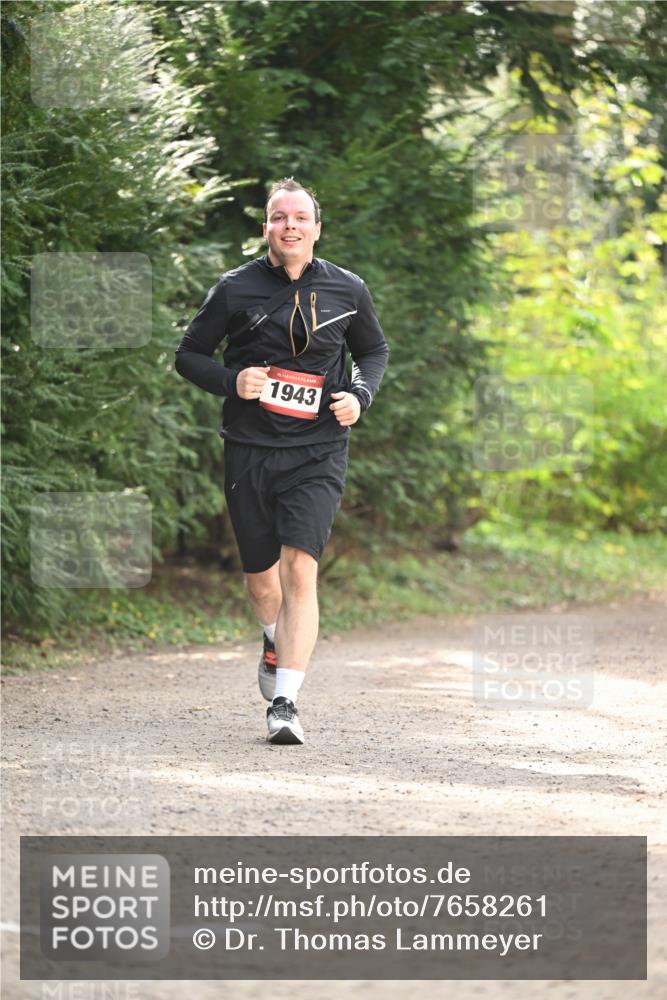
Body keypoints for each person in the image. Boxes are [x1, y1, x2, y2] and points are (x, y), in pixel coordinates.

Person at [175, 177, 389, 745]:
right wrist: (231, 380)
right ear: (266, 227)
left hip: (319, 448)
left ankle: (286, 704)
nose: (289, 225)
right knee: (261, 583)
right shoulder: (234, 289)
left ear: (317, 228)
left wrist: (359, 395)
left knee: (300, 569)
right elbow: (188, 355)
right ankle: (273, 638)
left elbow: (372, 350)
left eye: (299, 217)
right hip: (250, 448)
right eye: (279, 217)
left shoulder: (348, 288)